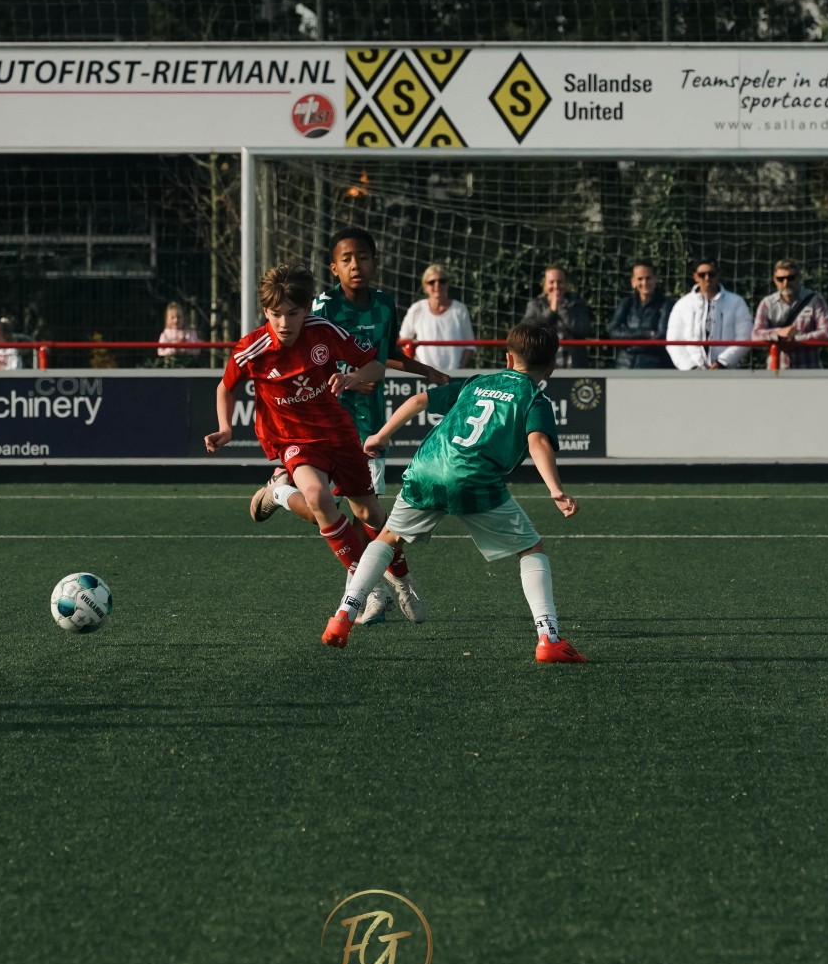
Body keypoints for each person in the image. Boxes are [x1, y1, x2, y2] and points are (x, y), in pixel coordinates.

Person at [320, 322, 587, 664]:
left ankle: (344, 614)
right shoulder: (535, 398)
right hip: (474, 479)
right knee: (530, 548)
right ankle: (549, 637)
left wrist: (381, 436)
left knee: (387, 540)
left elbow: (419, 400)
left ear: (507, 358)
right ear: (551, 367)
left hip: (427, 469)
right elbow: (537, 442)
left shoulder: (477, 382)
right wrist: (556, 490)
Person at [250, 228, 446, 623]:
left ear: (375, 262)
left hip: (369, 420)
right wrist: (346, 375)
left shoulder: (385, 304)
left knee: (366, 513)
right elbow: (299, 354)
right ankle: (284, 495)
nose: (356, 265)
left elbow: (383, 354)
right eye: (347, 259)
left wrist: (425, 371)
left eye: (363, 257)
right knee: (323, 509)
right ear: (334, 268)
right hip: (319, 423)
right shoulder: (320, 306)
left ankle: (369, 591)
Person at [205, 262, 395, 585]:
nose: (284, 323)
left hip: (336, 433)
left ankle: (279, 491)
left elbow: (376, 366)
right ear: (265, 311)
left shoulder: (323, 331)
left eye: (292, 313)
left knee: (367, 513)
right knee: (320, 500)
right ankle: (368, 588)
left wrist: (353, 377)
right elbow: (226, 387)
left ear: (306, 309)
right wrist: (226, 427)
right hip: (291, 438)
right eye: (276, 314)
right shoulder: (253, 348)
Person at [665, 259, 753, 371]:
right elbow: (673, 341)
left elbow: (745, 337)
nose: (707, 278)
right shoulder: (682, 304)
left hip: (727, 371)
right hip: (691, 373)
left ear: (718, 275)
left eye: (711, 274)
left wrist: (723, 362)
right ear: (695, 277)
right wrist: (691, 367)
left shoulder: (736, 302)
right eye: (702, 275)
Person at [751, 259, 828, 369]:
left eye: (790, 278)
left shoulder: (815, 300)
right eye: (780, 279)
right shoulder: (767, 303)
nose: (785, 283)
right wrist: (779, 334)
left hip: (809, 369)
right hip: (778, 371)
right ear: (774, 280)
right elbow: (756, 335)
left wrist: (797, 338)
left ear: (799, 278)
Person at [398, 264, 476, 370]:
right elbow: (404, 339)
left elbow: (469, 345)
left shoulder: (460, 310)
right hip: (423, 375)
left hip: (453, 375)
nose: (437, 285)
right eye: (432, 282)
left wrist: (458, 370)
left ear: (447, 284)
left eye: (442, 281)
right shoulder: (417, 309)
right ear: (425, 286)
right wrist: (418, 368)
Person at [606, 261, 674, 369]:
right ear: (633, 281)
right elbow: (613, 332)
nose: (644, 282)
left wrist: (628, 341)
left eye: (648, 278)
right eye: (640, 279)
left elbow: (661, 337)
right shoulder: (626, 303)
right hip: (624, 366)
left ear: (655, 279)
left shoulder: (666, 305)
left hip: (653, 367)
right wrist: (646, 333)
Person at [522, 265, 592, 367]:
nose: (556, 286)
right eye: (551, 282)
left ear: (566, 284)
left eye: (560, 282)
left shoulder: (577, 304)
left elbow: (582, 330)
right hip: (543, 368)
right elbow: (527, 332)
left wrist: (562, 310)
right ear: (545, 286)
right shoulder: (534, 305)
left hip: (574, 367)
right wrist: (551, 311)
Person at [157, 300, 202, 366]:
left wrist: (186, 345)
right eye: (172, 318)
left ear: (183, 318)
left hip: (189, 365)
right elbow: (160, 352)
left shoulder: (191, 333)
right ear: (167, 319)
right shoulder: (165, 335)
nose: (176, 320)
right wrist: (175, 346)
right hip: (170, 365)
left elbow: (197, 351)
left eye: (179, 317)